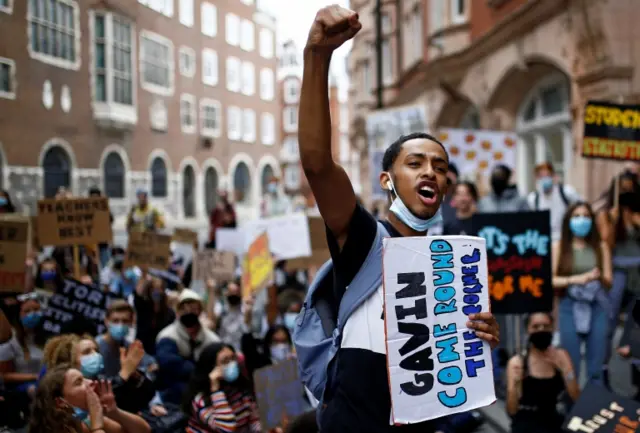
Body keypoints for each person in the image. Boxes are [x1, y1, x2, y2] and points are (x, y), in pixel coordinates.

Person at [295, 6, 501, 432]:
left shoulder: (453, 261)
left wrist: (481, 336)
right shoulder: (366, 239)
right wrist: (317, 58)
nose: (431, 172)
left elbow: (462, 366)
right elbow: (317, 164)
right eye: (416, 162)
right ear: (387, 179)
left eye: (440, 167)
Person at [552, 202, 612, 385]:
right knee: (572, 364)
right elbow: (551, 280)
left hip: (597, 305)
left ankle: (594, 407)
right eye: (576, 216)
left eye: (585, 216)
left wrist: (597, 277)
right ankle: (572, 407)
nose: (581, 220)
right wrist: (578, 279)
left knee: (596, 364)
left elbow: (609, 281)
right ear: (568, 221)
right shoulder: (560, 246)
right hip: (569, 305)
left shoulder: (601, 246)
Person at [506, 312, 580, 433]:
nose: (541, 330)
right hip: (526, 423)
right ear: (528, 330)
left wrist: (565, 371)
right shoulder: (517, 362)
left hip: (554, 420)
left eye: (546, 326)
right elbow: (512, 411)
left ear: (552, 329)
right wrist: (515, 385)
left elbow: (576, 397)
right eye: (536, 327)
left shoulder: (561, 356)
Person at [29, 364, 151, 433]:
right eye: (79, 382)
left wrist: (115, 412)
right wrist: (97, 426)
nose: (91, 382)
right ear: (60, 402)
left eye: (85, 378)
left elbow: (144, 431)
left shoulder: (85, 419)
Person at [156, 289, 220, 405]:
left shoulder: (212, 340)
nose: (188, 312)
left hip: (203, 397)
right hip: (171, 397)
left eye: (193, 308)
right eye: (184, 308)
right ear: (177, 312)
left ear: (200, 311)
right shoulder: (167, 336)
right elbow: (169, 364)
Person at [183, 342, 262, 433]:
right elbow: (226, 428)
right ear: (212, 369)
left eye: (233, 359)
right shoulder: (201, 401)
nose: (232, 364)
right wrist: (215, 390)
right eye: (225, 361)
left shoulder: (241, 390)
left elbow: (254, 420)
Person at [526, 162, 581, 241]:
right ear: (537, 178)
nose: (545, 179)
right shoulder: (533, 198)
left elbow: (581, 207)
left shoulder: (566, 192)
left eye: (547, 175)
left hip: (565, 239)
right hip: (545, 240)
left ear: (553, 176)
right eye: (541, 176)